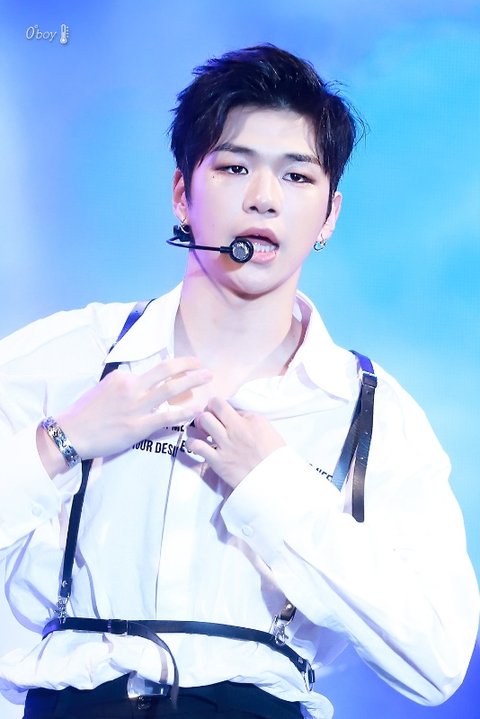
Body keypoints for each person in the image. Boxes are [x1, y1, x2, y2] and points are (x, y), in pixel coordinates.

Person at [0, 44, 478, 719]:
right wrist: (62, 441)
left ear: (330, 215)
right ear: (182, 194)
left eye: (297, 176)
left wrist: (276, 491)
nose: (263, 199)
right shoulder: (69, 355)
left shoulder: (369, 411)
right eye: (233, 167)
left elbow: (437, 661)